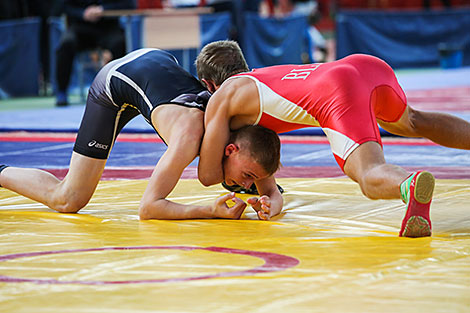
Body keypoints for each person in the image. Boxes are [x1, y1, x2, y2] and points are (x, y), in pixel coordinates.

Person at [195, 40, 470, 237]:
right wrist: (268, 200)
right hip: (363, 67)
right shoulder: (257, 84)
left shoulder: (223, 98)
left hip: (337, 91)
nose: (245, 183)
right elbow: (266, 182)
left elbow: (207, 175)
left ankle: (407, 184)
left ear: (208, 86)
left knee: (368, 175)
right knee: (412, 121)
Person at [0, 48, 281, 220]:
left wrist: (271, 204)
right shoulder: (189, 136)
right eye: (248, 178)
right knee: (68, 199)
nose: (248, 186)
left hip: (158, 62)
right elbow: (148, 208)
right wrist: (209, 211)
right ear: (231, 150)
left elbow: (270, 190)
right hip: (118, 79)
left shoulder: (248, 138)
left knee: (231, 175)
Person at [54, 0, 135, 106]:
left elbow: (129, 4)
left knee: (119, 43)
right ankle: (62, 91)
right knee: (65, 44)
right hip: (80, 27)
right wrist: (83, 13)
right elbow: (62, 7)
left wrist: (103, 10)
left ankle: (120, 91)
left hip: (108, 27)